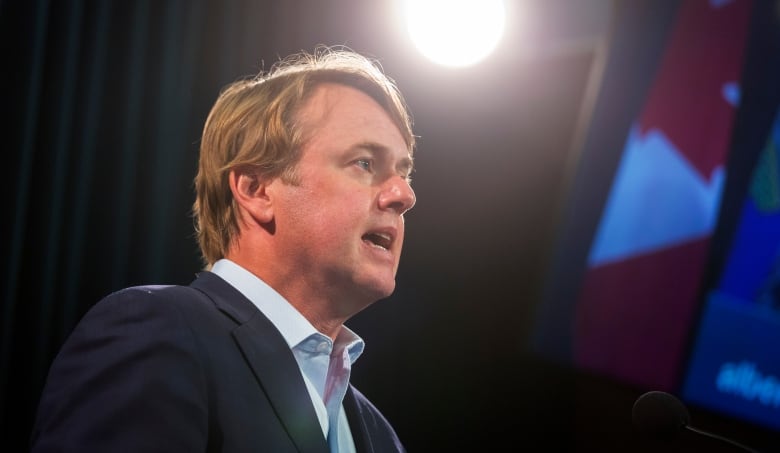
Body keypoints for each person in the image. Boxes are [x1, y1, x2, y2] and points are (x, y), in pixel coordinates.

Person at [31, 47, 416, 452]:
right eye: (365, 163)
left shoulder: (379, 436)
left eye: (404, 174)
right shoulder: (156, 331)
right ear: (256, 190)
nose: (404, 195)